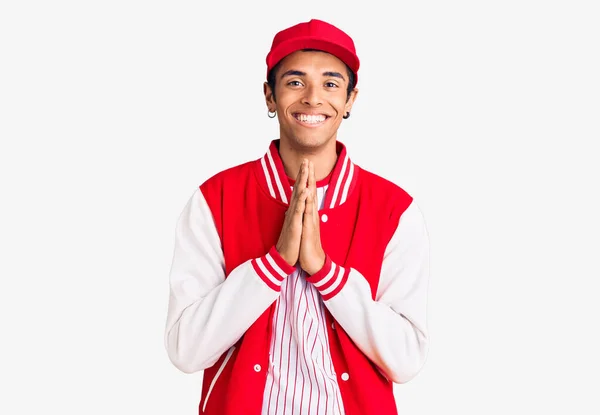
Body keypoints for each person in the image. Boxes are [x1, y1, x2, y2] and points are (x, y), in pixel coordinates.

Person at [164, 18, 430, 415]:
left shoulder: (394, 210)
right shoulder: (214, 199)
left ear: (350, 100)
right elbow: (185, 350)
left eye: (330, 83)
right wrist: (273, 264)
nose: (312, 98)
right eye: (294, 82)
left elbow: (407, 359)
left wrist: (324, 271)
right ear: (270, 97)